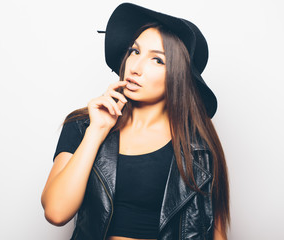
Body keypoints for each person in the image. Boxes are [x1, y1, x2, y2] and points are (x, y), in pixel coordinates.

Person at [41, 3, 230, 240]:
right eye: (135, 51)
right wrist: (97, 131)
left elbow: (215, 231)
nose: (136, 68)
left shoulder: (199, 148)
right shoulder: (82, 125)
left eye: (158, 60)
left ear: (178, 75)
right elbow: (56, 212)